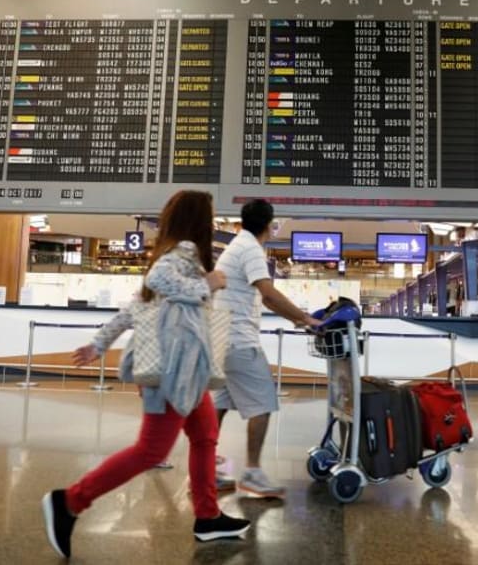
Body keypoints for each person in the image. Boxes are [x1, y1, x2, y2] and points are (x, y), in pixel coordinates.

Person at [41, 191, 250, 559]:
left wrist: (98, 344)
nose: (214, 223)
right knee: (152, 449)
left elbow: (138, 305)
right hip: (174, 369)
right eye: (211, 217)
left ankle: (207, 516)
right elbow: (159, 280)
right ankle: (70, 500)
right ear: (198, 220)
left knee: (205, 435)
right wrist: (208, 285)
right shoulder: (183, 252)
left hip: (186, 370)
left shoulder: (176, 253)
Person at [212, 199, 322, 498]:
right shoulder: (250, 249)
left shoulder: (236, 245)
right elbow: (269, 295)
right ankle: (252, 473)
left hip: (223, 338)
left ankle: (205, 466)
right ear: (268, 225)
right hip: (239, 341)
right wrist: (304, 318)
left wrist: (298, 318)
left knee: (219, 404)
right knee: (263, 402)